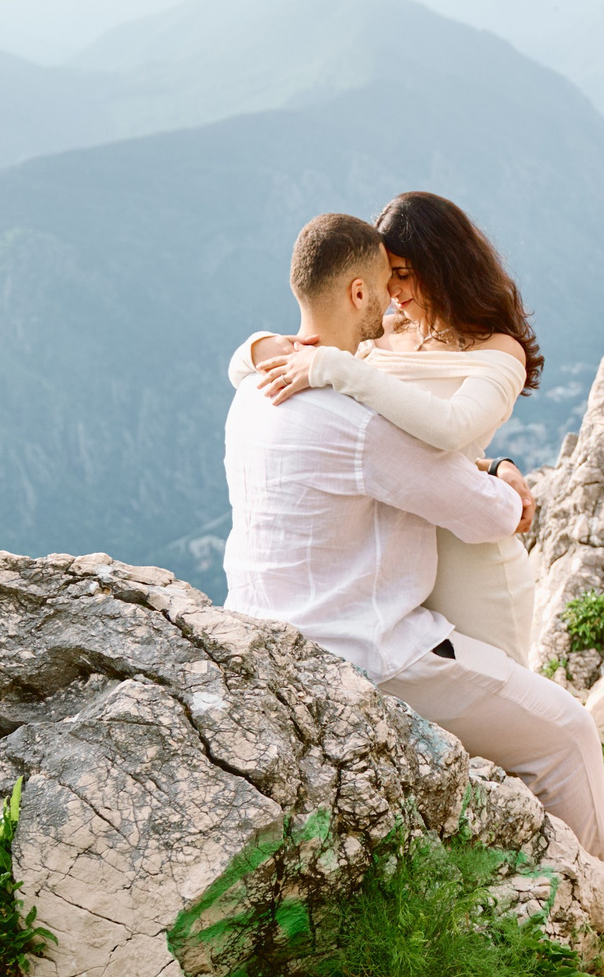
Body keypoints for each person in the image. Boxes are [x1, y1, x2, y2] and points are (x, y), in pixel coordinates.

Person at [221, 210, 604, 930]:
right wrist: (507, 484)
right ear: (358, 292)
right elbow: (482, 513)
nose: (394, 306)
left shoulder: (254, 393)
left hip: (265, 646)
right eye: (387, 286)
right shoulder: (359, 422)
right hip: (370, 653)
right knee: (565, 731)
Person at [233, 191, 543, 664]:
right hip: (391, 574)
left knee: (497, 719)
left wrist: (338, 367)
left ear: (444, 265)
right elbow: (241, 370)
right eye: (387, 277)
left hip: (468, 559)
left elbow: (449, 429)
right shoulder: (383, 331)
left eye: (403, 274)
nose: (393, 291)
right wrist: (267, 345)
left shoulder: (498, 350)